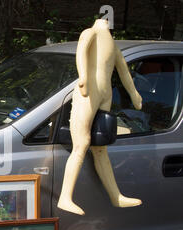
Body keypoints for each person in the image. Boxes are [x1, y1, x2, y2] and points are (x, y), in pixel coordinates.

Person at [57, 19, 142, 215]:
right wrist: (84, 77)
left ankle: (116, 196)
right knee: (81, 144)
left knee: (100, 148)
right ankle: (65, 197)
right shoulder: (90, 32)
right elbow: (82, 52)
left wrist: (134, 93)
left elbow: (123, 71)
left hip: (104, 95)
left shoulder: (112, 43)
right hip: (88, 92)